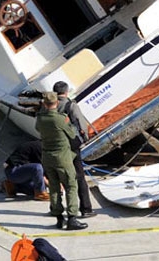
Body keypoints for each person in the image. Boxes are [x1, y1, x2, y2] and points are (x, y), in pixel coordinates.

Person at [35, 92, 88, 231]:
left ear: (44, 104)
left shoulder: (40, 119)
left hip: (47, 157)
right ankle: (72, 218)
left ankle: (58, 217)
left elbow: (37, 129)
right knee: (71, 186)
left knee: (54, 188)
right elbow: (71, 134)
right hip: (62, 157)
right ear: (57, 103)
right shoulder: (60, 119)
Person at [53, 81, 96, 218]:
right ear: (66, 92)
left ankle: (56, 208)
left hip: (55, 145)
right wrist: (85, 138)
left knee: (56, 177)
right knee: (79, 177)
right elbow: (80, 123)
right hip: (71, 145)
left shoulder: (49, 106)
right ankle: (86, 208)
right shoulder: (70, 105)